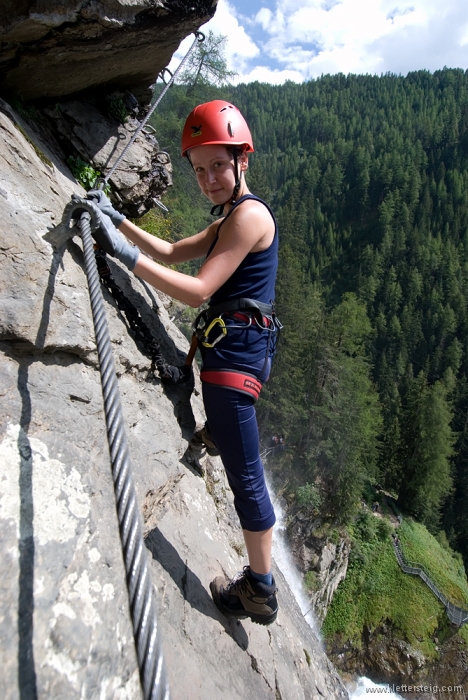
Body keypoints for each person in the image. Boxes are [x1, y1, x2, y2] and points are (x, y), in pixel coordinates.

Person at [82, 100, 280, 626]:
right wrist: (118, 221)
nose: (209, 178)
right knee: (234, 444)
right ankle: (218, 431)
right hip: (243, 359)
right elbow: (172, 251)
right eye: (198, 168)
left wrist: (123, 256)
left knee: (248, 480)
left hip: (230, 372)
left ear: (242, 160)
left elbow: (195, 292)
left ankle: (260, 590)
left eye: (218, 164)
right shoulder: (234, 215)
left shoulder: (249, 217)